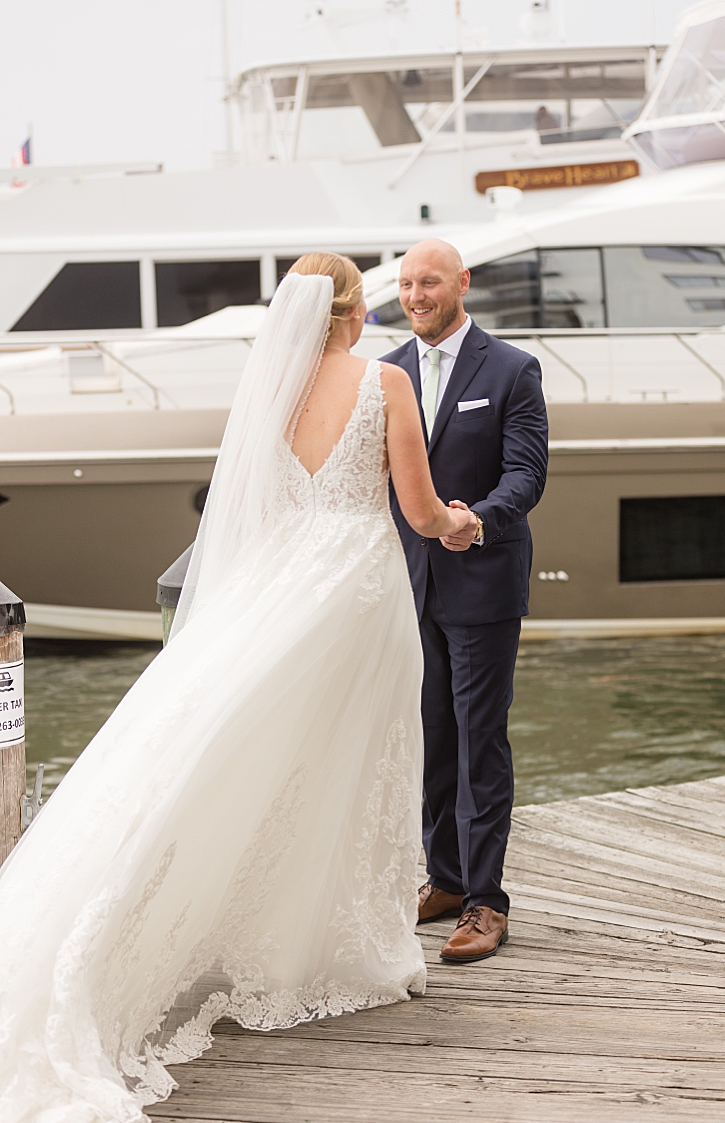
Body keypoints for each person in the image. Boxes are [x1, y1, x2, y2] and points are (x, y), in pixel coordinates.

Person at [0, 253, 477, 1119]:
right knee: (350, 762)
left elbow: (253, 513)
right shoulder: (388, 383)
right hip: (360, 596)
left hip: (276, 592)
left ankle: (240, 936)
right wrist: (462, 522)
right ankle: (331, 948)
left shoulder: (268, 394)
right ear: (351, 312)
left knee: (243, 760)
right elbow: (419, 511)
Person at [381, 239, 548, 965]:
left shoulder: (512, 368)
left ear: (461, 283)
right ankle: (444, 878)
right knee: (430, 736)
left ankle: (486, 901)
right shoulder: (382, 371)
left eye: (430, 282)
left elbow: (528, 472)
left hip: (481, 581)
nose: (416, 295)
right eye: (407, 284)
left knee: (480, 737)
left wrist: (477, 518)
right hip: (405, 585)